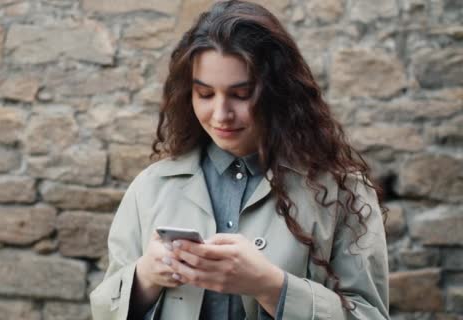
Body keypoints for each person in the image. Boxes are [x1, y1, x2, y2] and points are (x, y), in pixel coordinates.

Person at [90, 1, 389, 319]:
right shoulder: (150, 187)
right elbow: (103, 308)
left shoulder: (343, 190)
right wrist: (145, 276)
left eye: (242, 94)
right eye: (205, 94)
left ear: (278, 91)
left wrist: (271, 286)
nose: (221, 115)